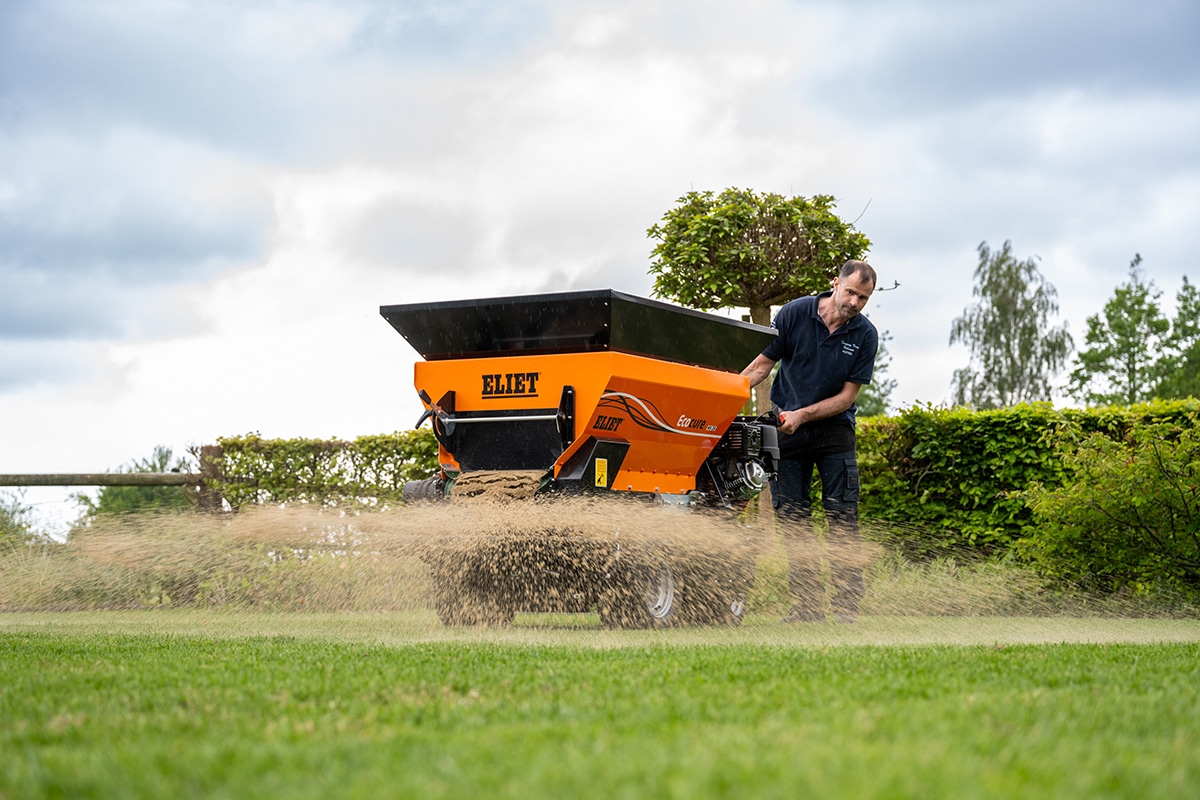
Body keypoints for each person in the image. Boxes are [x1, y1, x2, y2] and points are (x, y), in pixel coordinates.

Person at [742, 260, 878, 623]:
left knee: (842, 518)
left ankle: (846, 608)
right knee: (793, 520)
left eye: (863, 298)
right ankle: (807, 608)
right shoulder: (794, 314)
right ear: (835, 283)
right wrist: (723, 394)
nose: (854, 302)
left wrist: (803, 414)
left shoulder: (865, 335)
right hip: (786, 432)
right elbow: (761, 366)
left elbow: (847, 397)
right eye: (850, 292)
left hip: (835, 433)